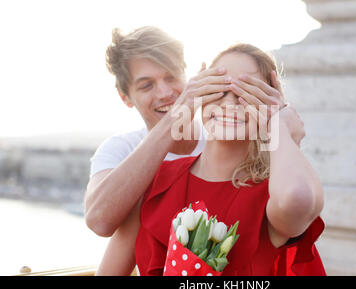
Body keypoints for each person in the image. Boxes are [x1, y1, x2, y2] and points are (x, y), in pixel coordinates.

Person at [95, 43, 325, 276]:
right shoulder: (154, 183)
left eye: (247, 93)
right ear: (198, 92)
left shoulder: (269, 194)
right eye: (218, 89)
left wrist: (281, 127)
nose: (228, 104)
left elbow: (297, 200)